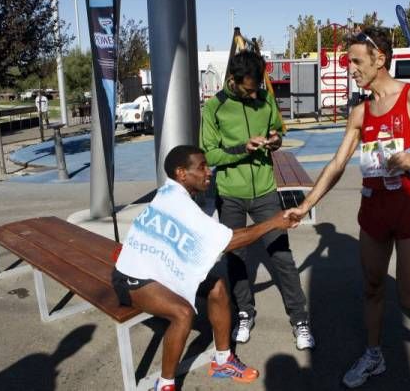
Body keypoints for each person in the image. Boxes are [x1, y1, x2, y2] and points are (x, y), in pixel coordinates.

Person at [285, 27, 410, 388]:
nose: (350, 68)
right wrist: (305, 205)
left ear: (379, 59)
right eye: (348, 62)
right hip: (373, 212)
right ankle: (374, 355)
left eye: (356, 61)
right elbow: (336, 165)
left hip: (409, 210)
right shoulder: (359, 112)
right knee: (371, 287)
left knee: (409, 295)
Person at [113, 145, 297, 391]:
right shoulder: (177, 202)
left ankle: (222, 361)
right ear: (181, 173)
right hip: (132, 278)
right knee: (183, 313)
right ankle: (165, 384)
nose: (209, 172)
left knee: (218, 287)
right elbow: (229, 241)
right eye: (201, 167)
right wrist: (273, 222)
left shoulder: (171, 192)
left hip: (156, 268)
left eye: (207, 166)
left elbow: (218, 239)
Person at [199, 50, 315, 350]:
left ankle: (300, 320)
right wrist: (241, 148)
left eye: (257, 87)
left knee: (281, 256)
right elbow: (209, 153)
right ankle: (244, 313)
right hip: (231, 193)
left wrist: (275, 140)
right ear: (233, 81)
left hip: (264, 191)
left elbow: (278, 131)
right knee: (236, 257)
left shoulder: (265, 99)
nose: (254, 94)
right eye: (249, 89)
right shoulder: (215, 107)